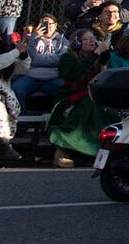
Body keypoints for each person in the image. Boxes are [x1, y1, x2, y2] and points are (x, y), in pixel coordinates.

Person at [46, 28, 110, 167]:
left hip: (93, 96)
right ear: (76, 43)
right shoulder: (67, 58)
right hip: (70, 96)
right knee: (85, 107)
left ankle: (99, 151)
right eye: (87, 39)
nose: (92, 41)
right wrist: (95, 54)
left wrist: (103, 60)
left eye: (94, 38)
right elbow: (76, 74)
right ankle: (62, 148)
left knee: (106, 110)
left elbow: (102, 79)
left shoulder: (96, 57)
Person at [13, 14, 66, 107]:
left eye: (50, 24)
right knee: (17, 88)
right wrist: (34, 38)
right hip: (30, 77)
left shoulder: (62, 41)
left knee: (64, 90)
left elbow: (61, 60)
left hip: (53, 78)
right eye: (43, 24)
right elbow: (28, 59)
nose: (47, 27)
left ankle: (55, 117)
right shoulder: (30, 39)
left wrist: (37, 59)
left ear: (56, 25)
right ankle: (19, 117)